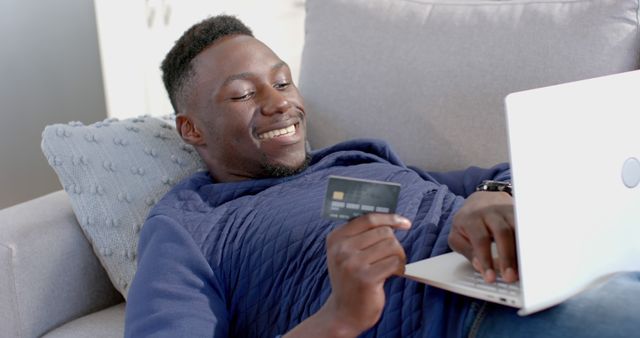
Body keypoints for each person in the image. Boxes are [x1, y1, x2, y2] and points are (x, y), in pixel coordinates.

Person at [124, 15, 639, 337]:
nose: (279, 101)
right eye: (243, 94)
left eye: (282, 81)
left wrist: (490, 196)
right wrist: (341, 317)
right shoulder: (191, 227)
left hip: (553, 268)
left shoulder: (352, 160)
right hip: (467, 318)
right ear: (191, 129)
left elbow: (514, 172)